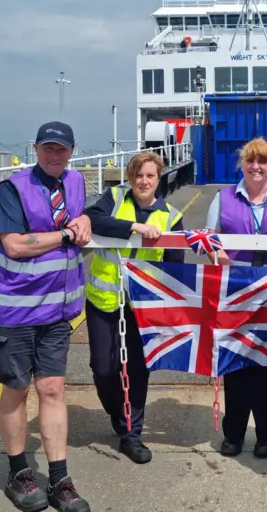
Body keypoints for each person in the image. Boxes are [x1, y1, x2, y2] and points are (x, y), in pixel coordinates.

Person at [0, 121, 91, 512]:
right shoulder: (11, 190)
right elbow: (13, 246)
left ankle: (59, 477)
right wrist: (65, 234)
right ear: (35, 148)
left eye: (61, 149)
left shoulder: (76, 183)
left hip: (55, 312)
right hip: (12, 312)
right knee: (16, 391)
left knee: (53, 389)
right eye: (47, 148)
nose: (54, 154)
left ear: (72, 151)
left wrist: (87, 220)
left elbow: (85, 214)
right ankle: (18, 473)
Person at [84, 151, 184, 464]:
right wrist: (135, 229)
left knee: (137, 370)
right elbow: (93, 218)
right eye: (139, 175)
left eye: (150, 176)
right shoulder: (113, 198)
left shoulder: (171, 217)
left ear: (159, 179)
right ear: (131, 177)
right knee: (103, 369)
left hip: (142, 307)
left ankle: (132, 433)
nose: (144, 181)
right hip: (103, 301)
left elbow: (174, 269)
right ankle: (119, 412)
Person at [205, 137, 267, 459]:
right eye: (251, 161)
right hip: (234, 294)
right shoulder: (222, 199)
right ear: (242, 165)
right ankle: (233, 434)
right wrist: (218, 255)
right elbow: (208, 240)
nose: (256, 166)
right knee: (235, 365)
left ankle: (266, 436)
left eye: (263, 161)